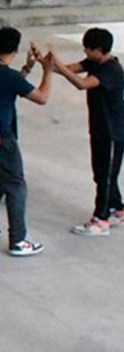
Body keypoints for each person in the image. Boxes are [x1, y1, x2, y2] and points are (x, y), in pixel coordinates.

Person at [0, 27, 52, 256]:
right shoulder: (8, 76)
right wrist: (47, 70)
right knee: (16, 185)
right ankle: (18, 239)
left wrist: (28, 68)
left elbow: (11, 85)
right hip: (5, 137)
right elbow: (41, 97)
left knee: (0, 183)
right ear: (16, 48)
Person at [53, 28, 124, 235]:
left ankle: (100, 220)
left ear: (100, 50)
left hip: (113, 132)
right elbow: (70, 69)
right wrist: (48, 63)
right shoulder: (94, 62)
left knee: (105, 177)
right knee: (102, 173)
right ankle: (117, 208)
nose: (85, 51)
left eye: (88, 48)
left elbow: (82, 84)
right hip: (100, 129)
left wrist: (57, 65)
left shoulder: (112, 70)